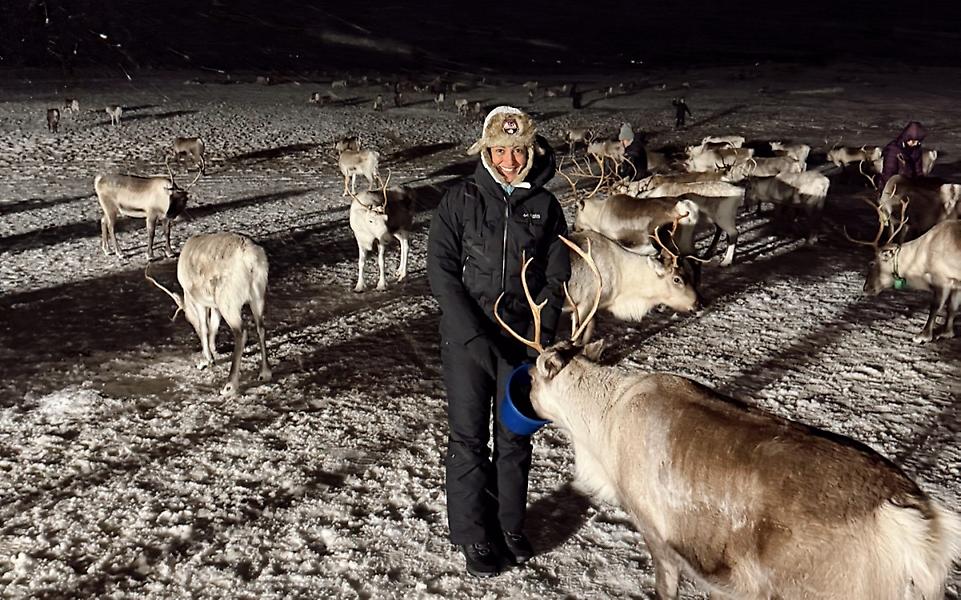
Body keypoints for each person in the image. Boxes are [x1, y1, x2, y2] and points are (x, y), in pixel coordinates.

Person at [427, 106, 571, 578]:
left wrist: (541, 333)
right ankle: (474, 535)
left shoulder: (545, 206)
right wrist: (471, 333)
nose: (509, 160)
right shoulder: (459, 200)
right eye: (500, 150)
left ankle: (509, 526)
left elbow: (557, 271)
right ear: (486, 151)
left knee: (515, 438)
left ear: (531, 151)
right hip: (467, 341)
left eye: (518, 150)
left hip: (521, 341)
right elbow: (442, 272)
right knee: (469, 439)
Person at [878, 121, 926, 192]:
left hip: (909, 184)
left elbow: (918, 171)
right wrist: (888, 191)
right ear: (907, 138)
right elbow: (888, 173)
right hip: (893, 186)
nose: (915, 144)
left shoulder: (917, 149)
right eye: (913, 141)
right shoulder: (893, 150)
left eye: (918, 141)